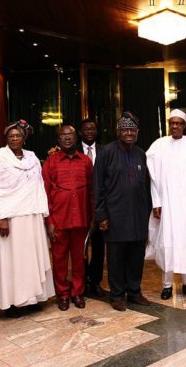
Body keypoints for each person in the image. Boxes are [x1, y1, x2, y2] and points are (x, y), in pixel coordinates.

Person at [0, 120, 54, 317]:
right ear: (6, 139)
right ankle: (13, 302)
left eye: (18, 136)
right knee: (12, 261)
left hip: (31, 215)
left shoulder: (31, 157)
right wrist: (2, 217)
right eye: (11, 136)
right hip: (10, 217)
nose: (15, 139)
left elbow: (38, 185)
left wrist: (43, 213)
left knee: (30, 259)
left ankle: (32, 298)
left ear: (24, 138)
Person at [94, 112, 152, 311]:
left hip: (137, 215)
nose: (129, 133)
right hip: (115, 216)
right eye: (125, 130)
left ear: (137, 132)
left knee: (136, 257)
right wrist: (101, 215)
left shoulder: (140, 154)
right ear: (118, 132)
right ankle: (117, 295)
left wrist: (147, 214)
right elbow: (98, 186)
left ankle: (134, 292)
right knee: (116, 258)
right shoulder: (106, 153)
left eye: (132, 130)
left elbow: (146, 186)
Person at [146, 109, 186, 300]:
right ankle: (167, 285)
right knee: (167, 243)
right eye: (172, 123)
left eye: (178, 123)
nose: (175, 126)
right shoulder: (159, 145)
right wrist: (157, 202)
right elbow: (153, 178)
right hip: (168, 205)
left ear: (185, 125)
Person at [43, 125, 94, 310]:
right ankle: (63, 294)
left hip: (81, 218)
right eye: (63, 135)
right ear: (58, 140)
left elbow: (91, 191)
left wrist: (93, 218)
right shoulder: (50, 162)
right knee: (59, 259)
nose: (67, 138)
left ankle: (78, 293)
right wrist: (49, 222)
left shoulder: (86, 161)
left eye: (70, 134)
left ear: (76, 137)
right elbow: (45, 193)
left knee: (80, 259)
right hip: (58, 220)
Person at [78, 118, 105, 297]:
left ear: (96, 131)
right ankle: (83, 280)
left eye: (92, 129)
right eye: (86, 129)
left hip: (100, 205)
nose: (89, 132)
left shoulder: (104, 150)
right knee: (80, 246)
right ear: (81, 132)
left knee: (98, 247)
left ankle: (95, 281)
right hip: (79, 205)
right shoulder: (73, 150)